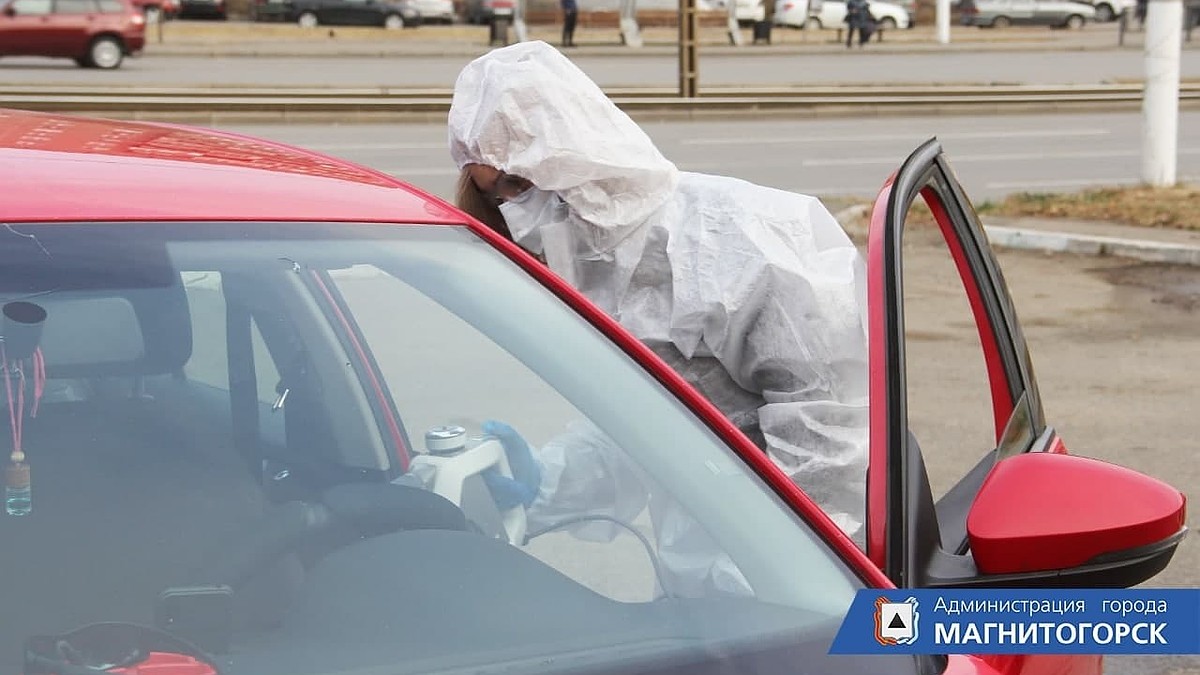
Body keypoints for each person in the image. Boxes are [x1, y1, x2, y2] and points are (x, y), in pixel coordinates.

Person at [447, 40, 869, 597]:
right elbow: (649, 427)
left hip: (805, 605)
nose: (513, 213)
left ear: (574, 155)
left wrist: (773, 595)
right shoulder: (589, 266)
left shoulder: (750, 243)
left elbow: (834, 456)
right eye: (494, 193)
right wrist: (544, 483)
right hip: (698, 603)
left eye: (517, 183)